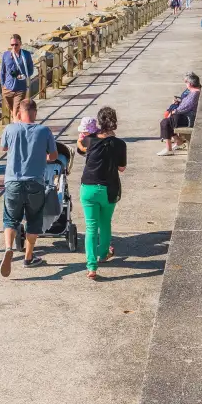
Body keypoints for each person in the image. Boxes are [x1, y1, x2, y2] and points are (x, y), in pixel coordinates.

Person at [0, 98, 57, 275]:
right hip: (35, 183)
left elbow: (3, 148)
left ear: (19, 113)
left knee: (10, 219)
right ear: (35, 113)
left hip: (13, 182)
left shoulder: (10, 128)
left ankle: (9, 248)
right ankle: (28, 258)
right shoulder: (44, 131)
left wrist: (16, 122)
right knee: (34, 220)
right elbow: (53, 156)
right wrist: (43, 158)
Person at [78, 106, 127, 280]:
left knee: (91, 227)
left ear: (99, 122)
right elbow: (121, 168)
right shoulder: (120, 144)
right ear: (114, 123)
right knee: (105, 223)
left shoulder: (89, 140)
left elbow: (80, 147)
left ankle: (91, 267)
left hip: (88, 188)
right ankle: (103, 254)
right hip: (109, 189)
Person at [157, 73, 201, 155]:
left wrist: (173, 111)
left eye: (186, 82)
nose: (185, 83)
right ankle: (177, 141)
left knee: (165, 122)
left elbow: (185, 107)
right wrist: (179, 102)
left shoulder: (195, 93)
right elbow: (187, 105)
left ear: (190, 83)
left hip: (188, 118)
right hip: (186, 115)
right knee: (168, 121)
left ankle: (169, 149)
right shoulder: (195, 91)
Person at [0, 33, 34, 120]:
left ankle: (15, 129)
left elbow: (31, 70)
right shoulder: (6, 55)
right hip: (7, 89)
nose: (14, 47)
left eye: (16, 44)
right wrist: (3, 85)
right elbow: (2, 71)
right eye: (12, 45)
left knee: (16, 112)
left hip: (20, 88)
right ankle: (16, 123)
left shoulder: (26, 55)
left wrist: (24, 76)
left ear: (20, 43)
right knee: (12, 111)